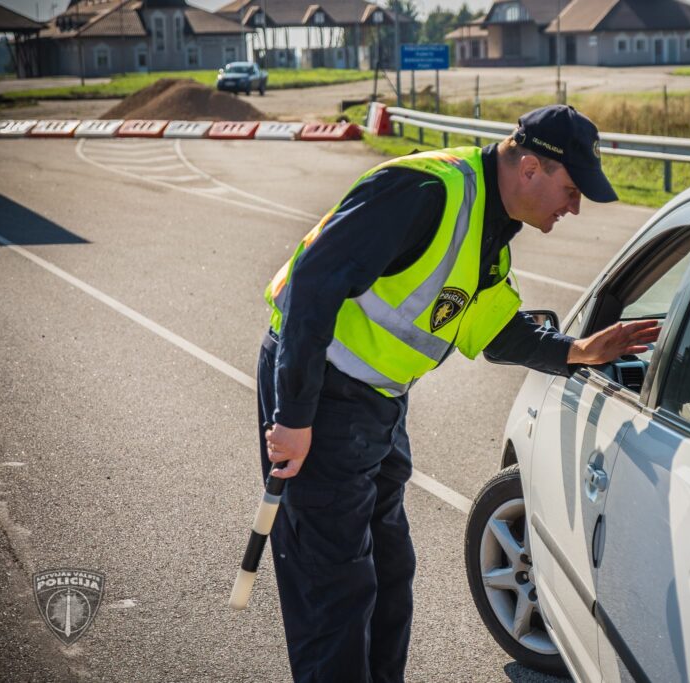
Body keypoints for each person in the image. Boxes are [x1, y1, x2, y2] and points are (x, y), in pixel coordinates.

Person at [255, 104, 660, 682]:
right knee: (334, 589)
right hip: (320, 393)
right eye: (570, 190)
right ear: (530, 169)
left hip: (377, 408)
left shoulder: (491, 234)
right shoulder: (426, 191)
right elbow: (311, 285)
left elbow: (494, 330)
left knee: (389, 573)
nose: (574, 207)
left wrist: (579, 351)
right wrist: (294, 415)